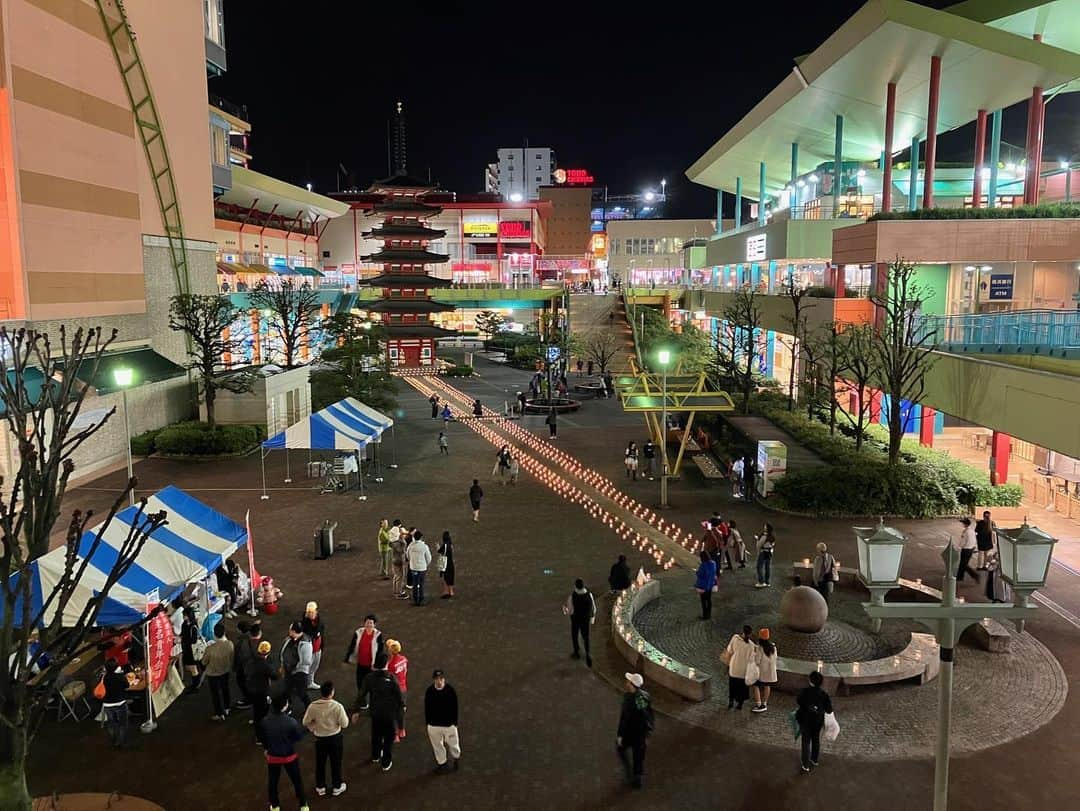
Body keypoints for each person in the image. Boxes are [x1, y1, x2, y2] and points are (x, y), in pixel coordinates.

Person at [354, 652, 403, 772]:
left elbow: (361, 695)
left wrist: (357, 711)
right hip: (389, 715)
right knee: (388, 739)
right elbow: (399, 698)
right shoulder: (391, 679)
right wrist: (401, 719)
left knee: (376, 735)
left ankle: (375, 756)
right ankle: (386, 762)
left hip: (375, 713)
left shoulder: (369, 678)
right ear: (386, 664)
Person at [260, 693, 310, 811]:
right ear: (285, 706)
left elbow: (263, 738)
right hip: (289, 756)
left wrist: (266, 749)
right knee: (297, 780)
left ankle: (275, 805)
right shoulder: (291, 722)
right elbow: (298, 737)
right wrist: (307, 730)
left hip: (273, 757)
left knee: (273, 782)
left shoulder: (265, 721)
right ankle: (303, 804)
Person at [302, 681, 349, 798]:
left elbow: (305, 722)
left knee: (320, 763)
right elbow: (345, 724)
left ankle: (320, 786)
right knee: (336, 762)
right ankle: (337, 786)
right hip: (335, 738)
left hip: (320, 739)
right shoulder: (338, 706)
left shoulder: (313, 706)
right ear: (332, 693)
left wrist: (313, 728)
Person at [616, 672, 653, 789]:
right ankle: (637, 779)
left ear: (632, 685)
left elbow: (624, 719)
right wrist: (648, 732)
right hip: (641, 735)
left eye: (629, 681)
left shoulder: (628, 699)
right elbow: (650, 715)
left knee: (620, 748)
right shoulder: (646, 696)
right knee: (639, 757)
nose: (627, 682)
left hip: (630, 733)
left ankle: (629, 772)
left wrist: (620, 735)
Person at [796, 671, 833, 773]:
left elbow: (799, 701)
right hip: (818, 721)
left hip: (805, 720)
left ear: (810, 681)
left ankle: (805, 764)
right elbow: (829, 709)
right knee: (816, 739)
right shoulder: (824, 694)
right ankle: (814, 759)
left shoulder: (804, 692)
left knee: (805, 741)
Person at [425, 669, 461, 774]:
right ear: (434, 680)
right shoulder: (430, 691)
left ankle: (456, 758)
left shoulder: (450, 691)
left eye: (441, 679)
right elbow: (427, 708)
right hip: (434, 726)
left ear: (444, 679)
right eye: (437, 679)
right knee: (437, 746)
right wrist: (428, 723)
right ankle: (442, 763)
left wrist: (455, 723)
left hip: (448, 725)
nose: (439, 681)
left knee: (453, 743)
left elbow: (455, 708)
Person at [246, 640, 277, 746]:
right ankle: (260, 737)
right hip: (262, 692)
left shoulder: (251, 660)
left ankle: (256, 723)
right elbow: (274, 676)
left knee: (256, 710)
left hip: (251, 690)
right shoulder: (265, 665)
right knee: (262, 714)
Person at [202, 621, 234, 721]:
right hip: (225, 671)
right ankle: (227, 707)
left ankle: (219, 713)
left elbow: (204, 662)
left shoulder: (210, 649)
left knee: (215, 694)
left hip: (213, 674)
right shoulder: (230, 644)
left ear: (214, 634)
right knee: (225, 689)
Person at [344, 614, 383, 698]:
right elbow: (352, 645)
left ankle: (371, 699)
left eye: (371, 623)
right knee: (360, 682)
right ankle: (362, 698)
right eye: (367, 623)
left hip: (371, 665)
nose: (369, 625)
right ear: (364, 623)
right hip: (361, 663)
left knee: (372, 683)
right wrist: (347, 658)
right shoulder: (359, 632)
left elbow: (380, 650)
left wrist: (377, 664)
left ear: (374, 625)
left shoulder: (378, 635)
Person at [281, 621, 313, 715]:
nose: (289, 631)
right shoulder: (291, 639)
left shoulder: (305, 644)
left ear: (294, 631)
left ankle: (309, 708)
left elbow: (306, 661)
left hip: (299, 672)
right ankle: (287, 707)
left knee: (301, 692)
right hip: (289, 670)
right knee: (287, 689)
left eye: (290, 630)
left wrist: (295, 668)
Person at [563, 578, 597, 667]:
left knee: (575, 635)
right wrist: (592, 618)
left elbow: (570, 610)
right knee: (586, 637)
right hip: (585, 620)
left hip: (576, 619)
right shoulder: (589, 595)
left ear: (575, 586)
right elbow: (593, 608)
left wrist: (565, 610)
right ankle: (588, 654)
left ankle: (576, 652)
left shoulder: (572, 597)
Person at [100, 662, 131, 748]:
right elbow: (127, 685)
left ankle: (114, 740)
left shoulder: (105, 677)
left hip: (107, 705)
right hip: (120, 703)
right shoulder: (120, 677)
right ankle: (121, 742)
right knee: (123, 723)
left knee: (112, 723)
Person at [724, 625, 755, 710]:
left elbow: (729, 650)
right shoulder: (752, 646)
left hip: (734, 668)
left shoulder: (735, 638)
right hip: (744, 671)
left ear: (743, 632)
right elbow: (752, 659)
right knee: (742, 688)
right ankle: (740, 704)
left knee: (732, 686)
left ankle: (731, 702)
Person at [385, 639, 409, 740]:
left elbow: (389, 678)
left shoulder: (391, 664)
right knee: (401, 711)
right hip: (403, 688)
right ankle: (402, 730)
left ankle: (395, 735)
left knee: (392, 712)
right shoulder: (404, 659)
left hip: (394, 691)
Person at [750, 629, 778, 713]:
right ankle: (764, 703)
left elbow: (757, 661)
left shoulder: (760, 648)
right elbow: (775, 657)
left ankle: (759, 704)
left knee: (756, 686)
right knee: (767, 686)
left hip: (761, 673)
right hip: (770, 673)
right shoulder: (773, 647)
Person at [233, 621, 258, 711]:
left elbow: (241, 658)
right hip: (248, 668)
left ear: (240, 630)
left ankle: (249, 700)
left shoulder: (241, 643)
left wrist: (236, 667)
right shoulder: (249, 639)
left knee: (243, 684)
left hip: (244, 669)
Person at [301, 602, 325, 689]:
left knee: (314, 666)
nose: (311, 614)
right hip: (309, 650)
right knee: (306, 667)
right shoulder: (304, 623)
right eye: (309, 612)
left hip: (317, 648)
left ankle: (310, 682)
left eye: (312, 612)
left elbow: (321, 631)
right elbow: (313, 633)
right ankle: (303, 684)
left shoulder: (319, 620)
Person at [408, 529, 433, 606]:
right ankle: (421, 598)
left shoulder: (410, 546)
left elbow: (408, 556)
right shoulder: (424, 546)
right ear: (421, 537)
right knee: (421, 584)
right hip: (422, 568)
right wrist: (425, 564)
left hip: (413, 568)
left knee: (415, 584)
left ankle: (415, 599)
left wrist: (412, 562)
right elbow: (428, 558)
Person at [180, 606, 201, 692]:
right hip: (186, 649)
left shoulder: (193, 626)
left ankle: (195, 686)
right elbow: (183, 634)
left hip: (191, 650)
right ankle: (196, 684)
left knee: (193, 668)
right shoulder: (184, 624)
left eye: (184, 615)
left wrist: (183, 639)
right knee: (191, 667)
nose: (183, 617)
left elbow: (194, 640)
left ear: (188, 615)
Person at [694, 550, 718, 620]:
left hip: (703, 586)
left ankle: (705, 615)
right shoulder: (713, 563)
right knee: (709, 600)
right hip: (710, 584)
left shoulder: (703, 565)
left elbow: (700, 574)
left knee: (704, 601)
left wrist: (697, 571)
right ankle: (709, 614)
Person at [955, 517, 980, 582]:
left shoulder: (965, 532)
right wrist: (974, 547)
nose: (962, 524)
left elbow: (963, 541)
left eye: (962, 523)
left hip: (966, 549)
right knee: (963, 564)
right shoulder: (972, 531)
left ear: (965, 524)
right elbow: (974, 540)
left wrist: (958, 548)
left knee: (964, 564)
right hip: (971, 549)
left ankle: (975, 575)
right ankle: (960, 577)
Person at [754, 523, 776, 588]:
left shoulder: (764, 536)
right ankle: (767, 582)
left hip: (763, 552)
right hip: (769, 553)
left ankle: (761, 582)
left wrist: (758, 539)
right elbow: (771, 545)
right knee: (767, 567)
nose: (764, 527)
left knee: (759, 567)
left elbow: (759, 545)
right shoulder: (772, 536)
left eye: (765, 526)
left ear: (767, 528)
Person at [389, 524, 408, 598]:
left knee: (396, 576)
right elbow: (401, 551)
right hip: (398, 560)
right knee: (400, 576)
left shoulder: (393, 541)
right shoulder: (397, 543)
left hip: (395, 560)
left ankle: (395, 591)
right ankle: (398, 593)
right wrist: (403, 542)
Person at [438, 531, 456, 599]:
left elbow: (440, 551)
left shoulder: (444, 545)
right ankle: (451, 591)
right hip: (451, 562)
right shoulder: (450, 545)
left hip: (445, 563)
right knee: (451, 577)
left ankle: (446, 591)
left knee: (445, 577)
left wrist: (437, 547)